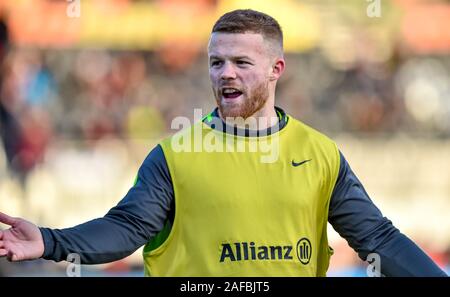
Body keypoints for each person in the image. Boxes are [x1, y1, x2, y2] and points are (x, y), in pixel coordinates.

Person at [0, 9, 447, 277]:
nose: (224, 73)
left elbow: (378, 239)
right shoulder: (175, 157)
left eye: (239, 62)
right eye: (216, 62)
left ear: (276, 68)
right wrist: (50, 241)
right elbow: (127, 228)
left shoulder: (321, 155)